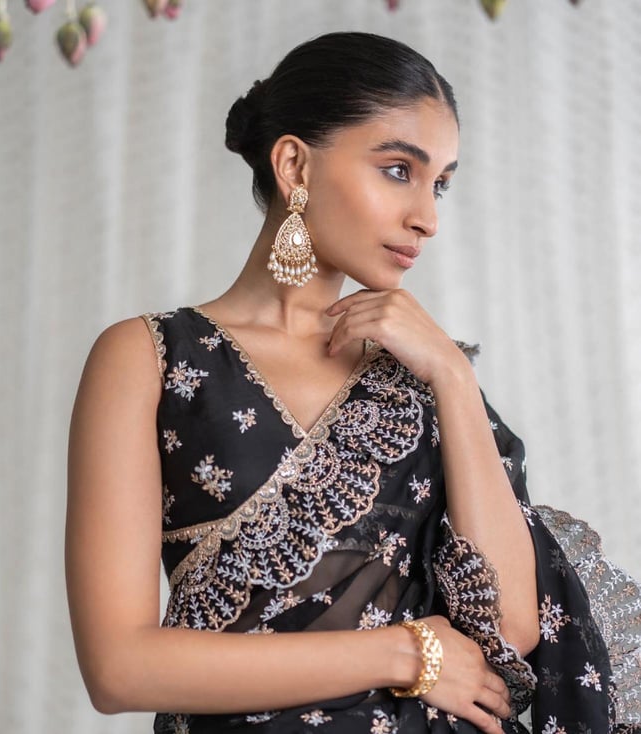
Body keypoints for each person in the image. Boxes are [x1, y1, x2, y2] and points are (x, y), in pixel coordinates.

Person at [66, 32, 641, 734]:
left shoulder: (426, 374)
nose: (427, 217)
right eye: (399, 170)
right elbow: (119, 668)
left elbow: (512, 628)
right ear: (294, 164)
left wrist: (453, 376)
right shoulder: (150, 358)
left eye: (441, 183)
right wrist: (406, 654)